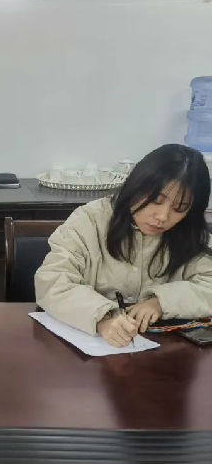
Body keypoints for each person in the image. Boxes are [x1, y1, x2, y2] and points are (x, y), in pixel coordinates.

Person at [35, 144, 212, 347]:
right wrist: (101, 317)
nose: (163, 216)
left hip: (166, 353)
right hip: (92, 352)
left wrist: (162, 302)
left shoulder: (190, 233)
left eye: (180, 207)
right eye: (156, 200)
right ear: (136, 185)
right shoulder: (89, 221)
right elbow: (52, 282)